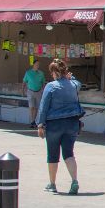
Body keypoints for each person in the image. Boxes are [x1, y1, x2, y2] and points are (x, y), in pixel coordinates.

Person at [36, 60, 84, 195]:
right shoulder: (73, 85)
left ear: (55, 72)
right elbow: (78, 83)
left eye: (52, 72)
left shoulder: (51, 87)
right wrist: (71, 78)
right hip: (72, 124)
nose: (51, 75)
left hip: (54, 125)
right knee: (69, 153)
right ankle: (74, 181)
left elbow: (43, 107)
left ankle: (52, 184)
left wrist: (40, 124)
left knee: (52, 154)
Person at [24, 60, 46, 128]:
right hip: (30, 91)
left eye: (38, 64)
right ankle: (32, 121)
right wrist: (22, 90)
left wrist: (44, 91)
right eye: (36, 64)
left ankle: (34, 121)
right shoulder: (28, 72)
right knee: (31, 107)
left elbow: (43, 83)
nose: (37, 65)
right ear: (33, 65)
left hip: (38, 91)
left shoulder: (41, 73)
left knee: (36, 107)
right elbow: (24, 82)